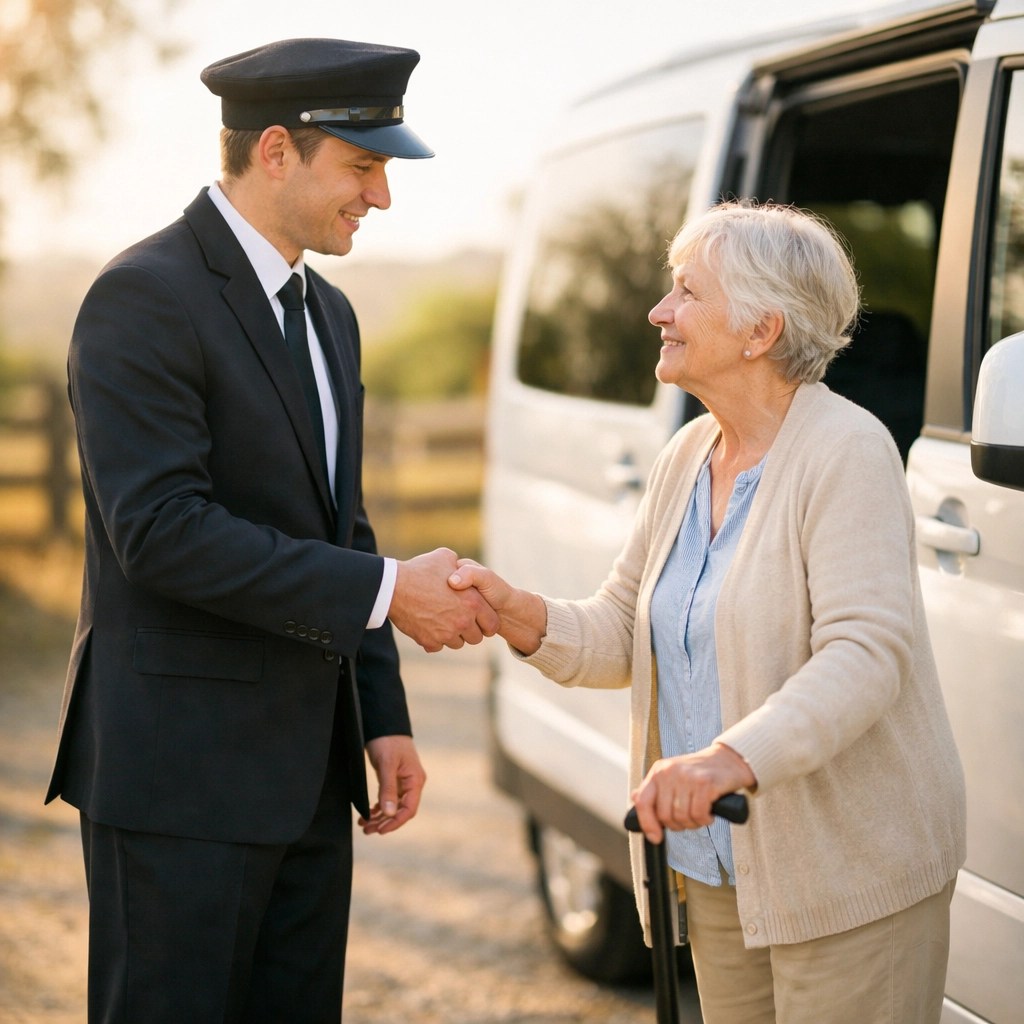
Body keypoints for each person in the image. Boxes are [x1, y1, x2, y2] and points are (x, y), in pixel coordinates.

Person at [45, 37, 496, 1024]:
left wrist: (381, 712)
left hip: (307, 777)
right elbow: (159, 532)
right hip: (178, 782)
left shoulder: (330, 314)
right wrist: (388, 592)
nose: (380, 197)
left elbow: (343, 521)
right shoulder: (142, 297)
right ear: (278, 151)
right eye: (364, 167)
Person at [450, 200, 966, 1024]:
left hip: (847, 879)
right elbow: (626, 628)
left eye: (686, 292)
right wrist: (521, 614)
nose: (660, 312)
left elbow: (866, 654)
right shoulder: (688, 453)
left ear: (761, 331)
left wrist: (725, 762)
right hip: (717, 868)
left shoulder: (848, 451)